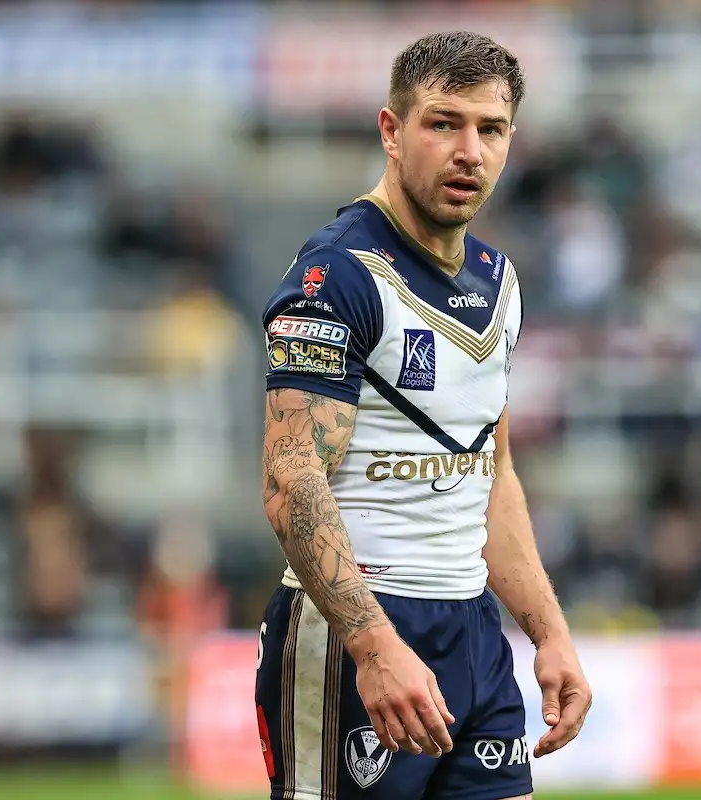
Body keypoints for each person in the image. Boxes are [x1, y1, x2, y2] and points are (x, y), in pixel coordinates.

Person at [254, 31, 591, 800]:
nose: (469, 151)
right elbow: (289, 480)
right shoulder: (335, 276)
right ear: (391, 130)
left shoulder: (497, 280)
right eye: (444, 124)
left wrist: (547, 631)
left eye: (491, 129)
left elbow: (491, 469)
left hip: (472, 632)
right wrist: (374, 647)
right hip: (355, 631)